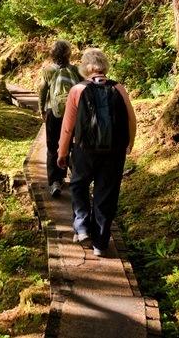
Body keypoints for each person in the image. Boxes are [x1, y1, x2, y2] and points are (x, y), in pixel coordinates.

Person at [57, 48, 136, 257]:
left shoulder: (78, 90)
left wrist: (62, 152)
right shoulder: (118, 88)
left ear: (85, 67)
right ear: (104, 66)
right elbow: (131, 118)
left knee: (78, 184)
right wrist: (130, 144)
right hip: (114, 150)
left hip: (85, 150)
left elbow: (68, 126)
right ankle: (100, 244)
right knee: (106, 193)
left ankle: (82, 226)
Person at [37, 40, 83, 198]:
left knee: (52, 146)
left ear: (52, 54)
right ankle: (73, 178)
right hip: (73, 113)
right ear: (68, 54)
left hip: (53, 112)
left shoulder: (48, 71)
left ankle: (55, 181)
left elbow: (43, 91)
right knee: (70, 145)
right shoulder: (76, 70)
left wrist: (41, 109)